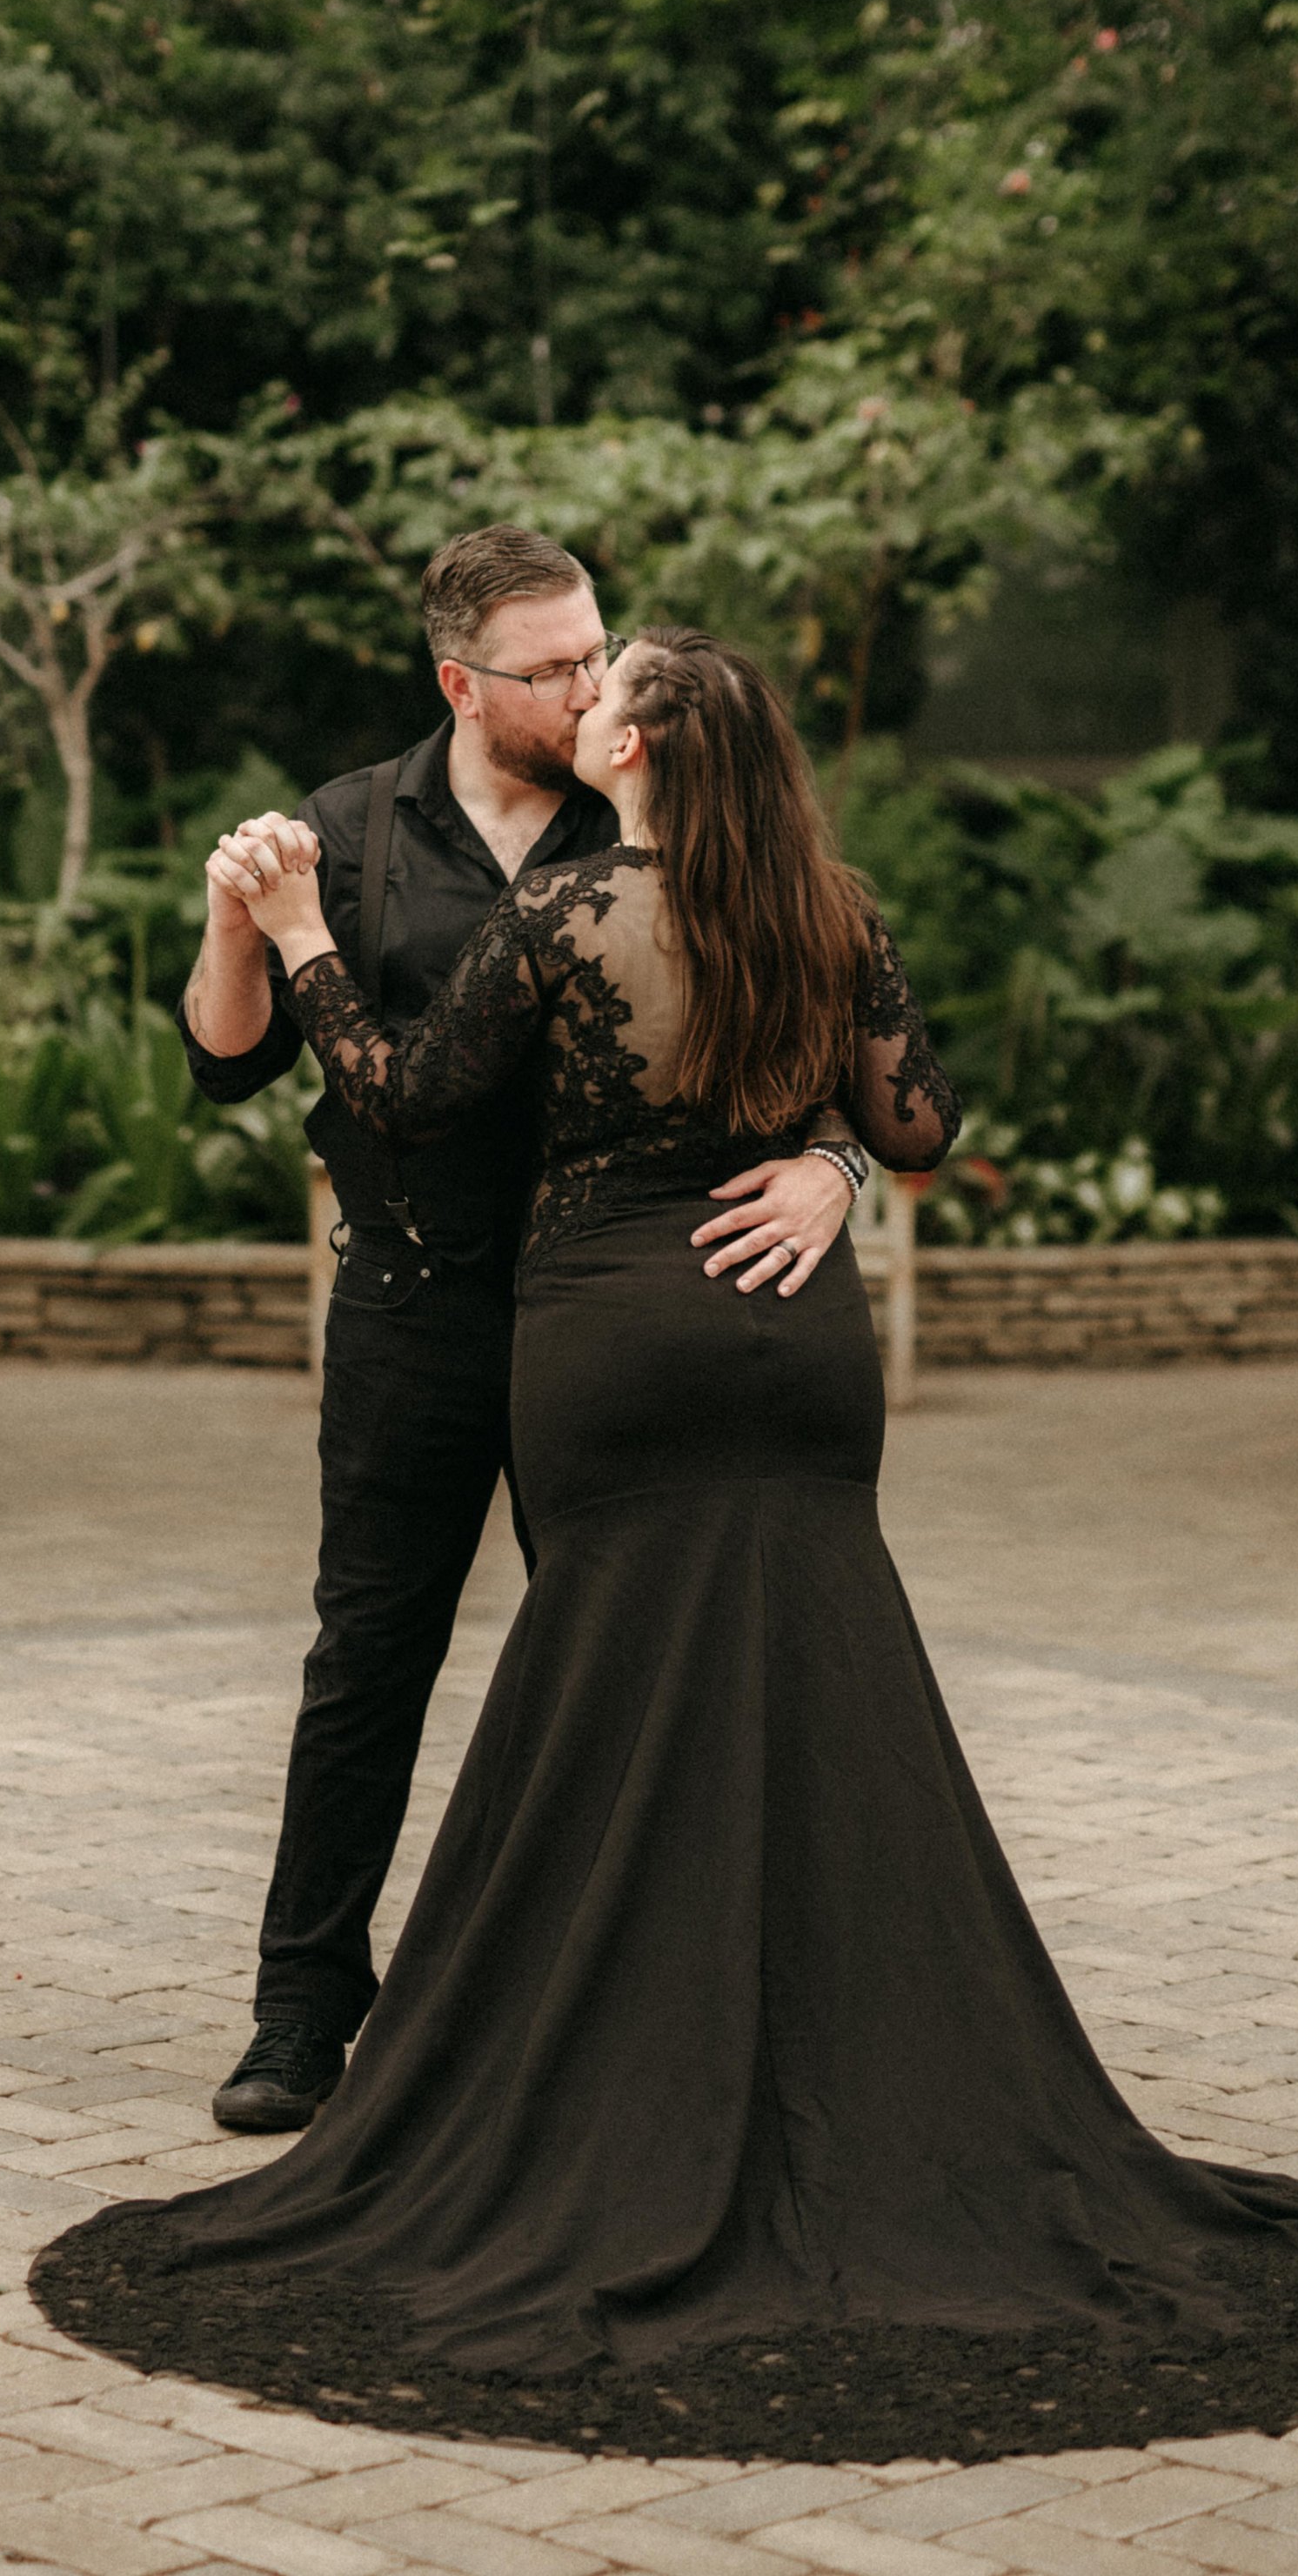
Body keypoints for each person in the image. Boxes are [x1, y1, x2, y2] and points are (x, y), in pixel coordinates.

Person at [144, 627, 1298, 2384]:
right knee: (814, 1693)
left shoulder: (564, 917)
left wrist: (306, 937)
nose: (585, 695)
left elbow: (396, 1094)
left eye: (605, 683)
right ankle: (827, 2043)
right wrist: (831, 1161)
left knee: (606, 1691)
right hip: (800, 1349)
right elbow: (917, 1121)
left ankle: (595, 2049)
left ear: (635, 747)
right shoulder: (826, 906)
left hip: (616, 1347)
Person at [179, 532, 861, 2131]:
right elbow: (228, 1064)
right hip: (416, 1301)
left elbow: (799, 1027)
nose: (584, 683)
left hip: (610, 1318)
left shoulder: (656, 803)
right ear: (458, 684)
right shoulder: (347, 827)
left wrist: (837, 1167)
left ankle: (640, 2002)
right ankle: (300, 2010)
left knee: (620, 1658)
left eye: (592, 653)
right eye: (549, 666)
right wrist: (240, 921)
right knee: (369, 1658)